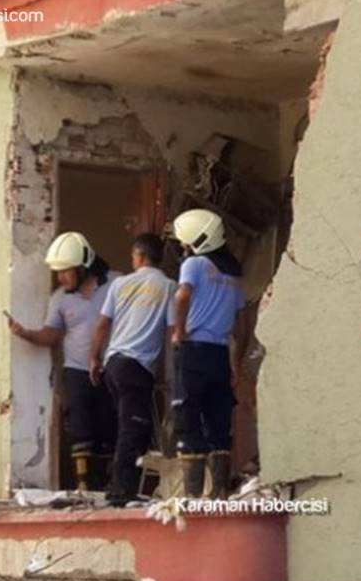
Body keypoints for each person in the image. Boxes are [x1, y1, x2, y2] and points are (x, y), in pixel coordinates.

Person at [8, 231, 117, 491]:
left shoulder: (116, 285)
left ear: (82, 268)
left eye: (65, 272)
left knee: (110, 425)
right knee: (79, 427)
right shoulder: (60, 299)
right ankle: (84, 487)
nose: (60, 278)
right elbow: (52, 335)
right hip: (76, 370)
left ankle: (111, 485)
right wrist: (25, 333)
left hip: (110, 367)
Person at [90, 233, 176, 506]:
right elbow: (172, 331)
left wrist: (94, 359)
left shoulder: (120, 284)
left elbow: (102, 324)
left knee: (130, 425)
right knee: (133, 427)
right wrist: (175, 371)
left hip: (114, 363)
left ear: (138, 257)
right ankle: (120, 490)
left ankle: (123, 484)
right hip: (136, 367)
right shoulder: (168, 286)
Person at [170, 209, 246, 499]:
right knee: (218, 418)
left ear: (197, 240)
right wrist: (236, 361)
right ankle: (219, 491)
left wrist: (179, 331)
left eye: (184, 242)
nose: (182, 247)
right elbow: (242, 322)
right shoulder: (233, 274)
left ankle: (192, 494)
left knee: (187, 415)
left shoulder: (194, 264)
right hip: (219, 355)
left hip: (193, 351)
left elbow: (183, 295)